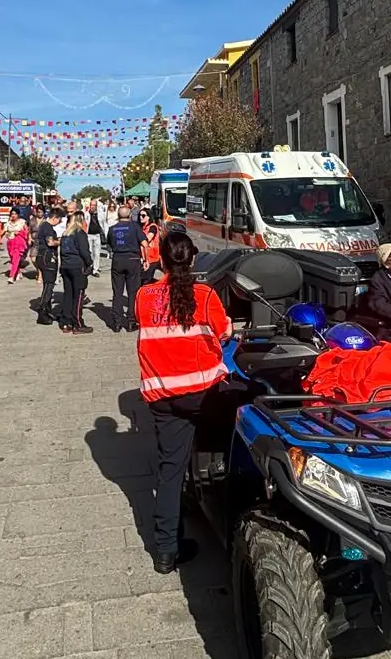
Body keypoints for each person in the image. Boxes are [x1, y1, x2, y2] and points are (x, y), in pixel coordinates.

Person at [134, 230, 230, 573]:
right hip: (203, 395)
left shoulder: (144, 297)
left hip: (162, 396)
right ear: (192, 260)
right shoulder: (204, 295)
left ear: (161, 259)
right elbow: (225, 332)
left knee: (169, 473)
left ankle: (165, 551)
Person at [107, 207, 147, 332]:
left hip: (118, 259)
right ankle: (131, 321)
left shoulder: (112, 229)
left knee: (117, 292)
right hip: (132, 259)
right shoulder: (135, 227)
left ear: (118, 215)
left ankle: (117, 322)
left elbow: (109, 245)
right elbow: (145, 244)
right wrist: (146, 260)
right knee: (132, 292)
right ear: (129, 215)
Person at [59, 214, 95, 334]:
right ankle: (78, 323)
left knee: (68, 295)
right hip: (77, 266)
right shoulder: (80, 233)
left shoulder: (65, 234)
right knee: (78, 295)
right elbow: (84, 251)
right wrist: (90, 263)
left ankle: (66, 322)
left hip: (66, 266)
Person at [32, 208, 62, 324]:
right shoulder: (48, 227)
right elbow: (50, 242)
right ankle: (43, 310)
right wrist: (62, 241)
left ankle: (47, 310)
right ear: (54, 218)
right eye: (58, 220)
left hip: (42, 256)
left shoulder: (43, 226)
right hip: (47, 257)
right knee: (49, 285)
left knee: (47, 284)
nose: (58, 223)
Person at [5, 208, 30, 284]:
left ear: (18, 215)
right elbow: (4, 232)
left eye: (15, 214)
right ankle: (18, 273)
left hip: (19, 243)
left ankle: (12, 276)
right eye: (12, 214)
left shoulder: (22, 222)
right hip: (10, 243)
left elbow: (27, 232)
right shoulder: (8, 223)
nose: (13, 215)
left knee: (16, 258)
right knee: (13, 260)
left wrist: (19, 232)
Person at [86, 201, 105, 268]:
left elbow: (104, 224)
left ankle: (95, 268)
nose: (93, 206)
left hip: (97, 235)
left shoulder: (100, 214)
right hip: (89, 235)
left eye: (94, 205)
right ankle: (90, 266)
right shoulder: (86, 214)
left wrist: (105, 233)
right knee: (90, 252)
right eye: (91, 205)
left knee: (97, 253)